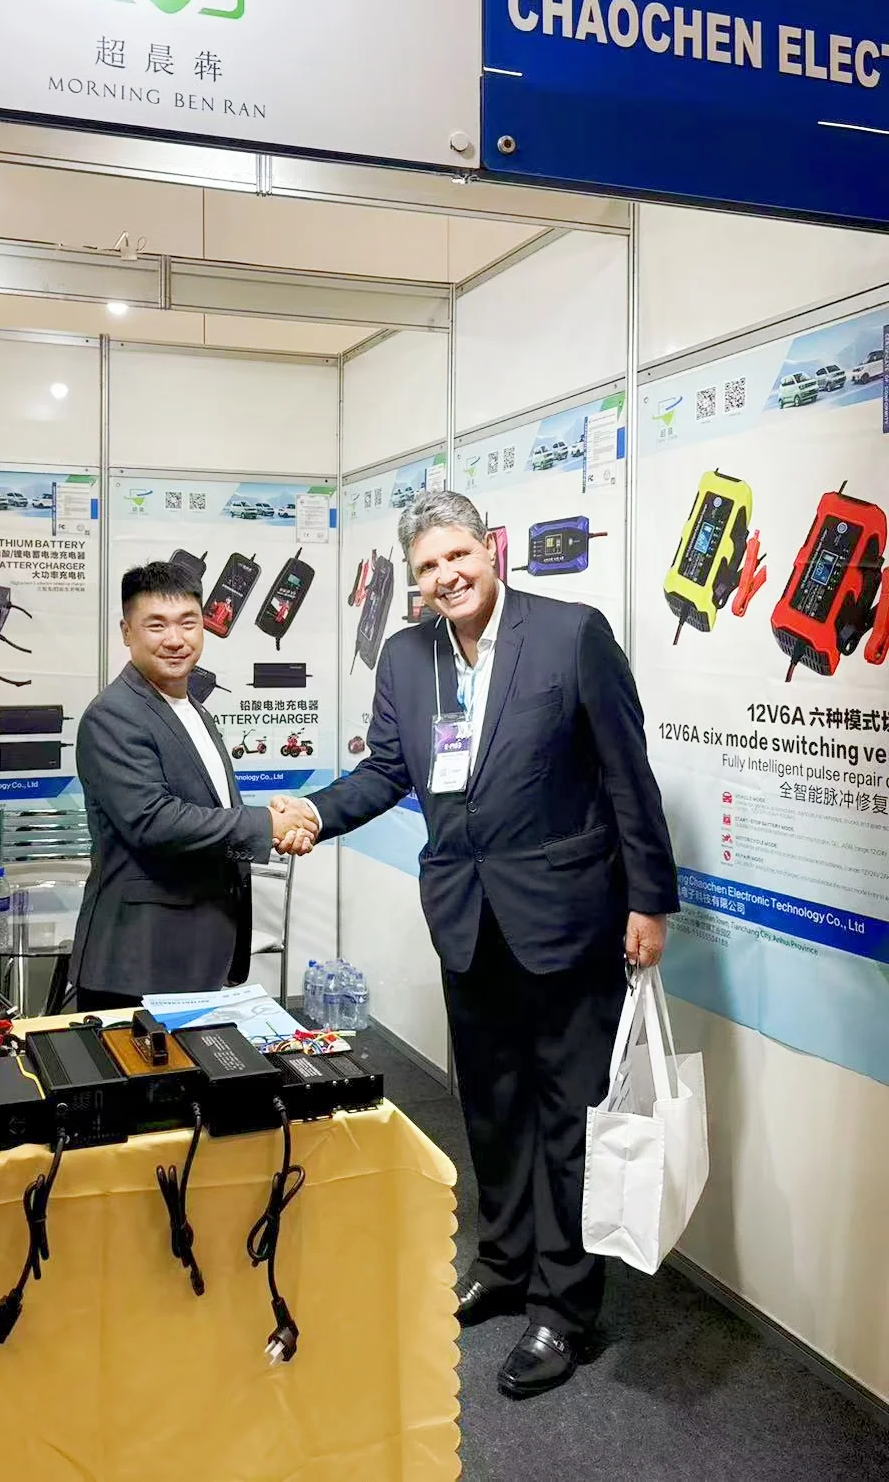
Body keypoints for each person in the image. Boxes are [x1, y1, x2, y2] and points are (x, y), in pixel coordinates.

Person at [272, 490, 676, 1399]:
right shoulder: (408, 655)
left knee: (567, 1114)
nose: (446, 575)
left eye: (457, 555)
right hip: (466, 915)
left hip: (569, 916)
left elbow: (628, 772)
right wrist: (315, 813)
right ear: (414, 580)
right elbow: (385, 769)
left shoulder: (571, 634)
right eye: (427, 566)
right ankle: (503, 1262)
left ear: (490, 548)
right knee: (490, 1104)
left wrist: (650, 901)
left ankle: (562, 1306)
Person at [71, 560, 310, 1011]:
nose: (175, 639)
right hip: (139, 959)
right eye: (156, 625)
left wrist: (277, 825)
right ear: (126, 632)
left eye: (188, 622)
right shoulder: (113, 715)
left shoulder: (194, 710)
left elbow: (212, 811)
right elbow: (154, 820)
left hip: (196, 950)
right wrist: (268, 826)